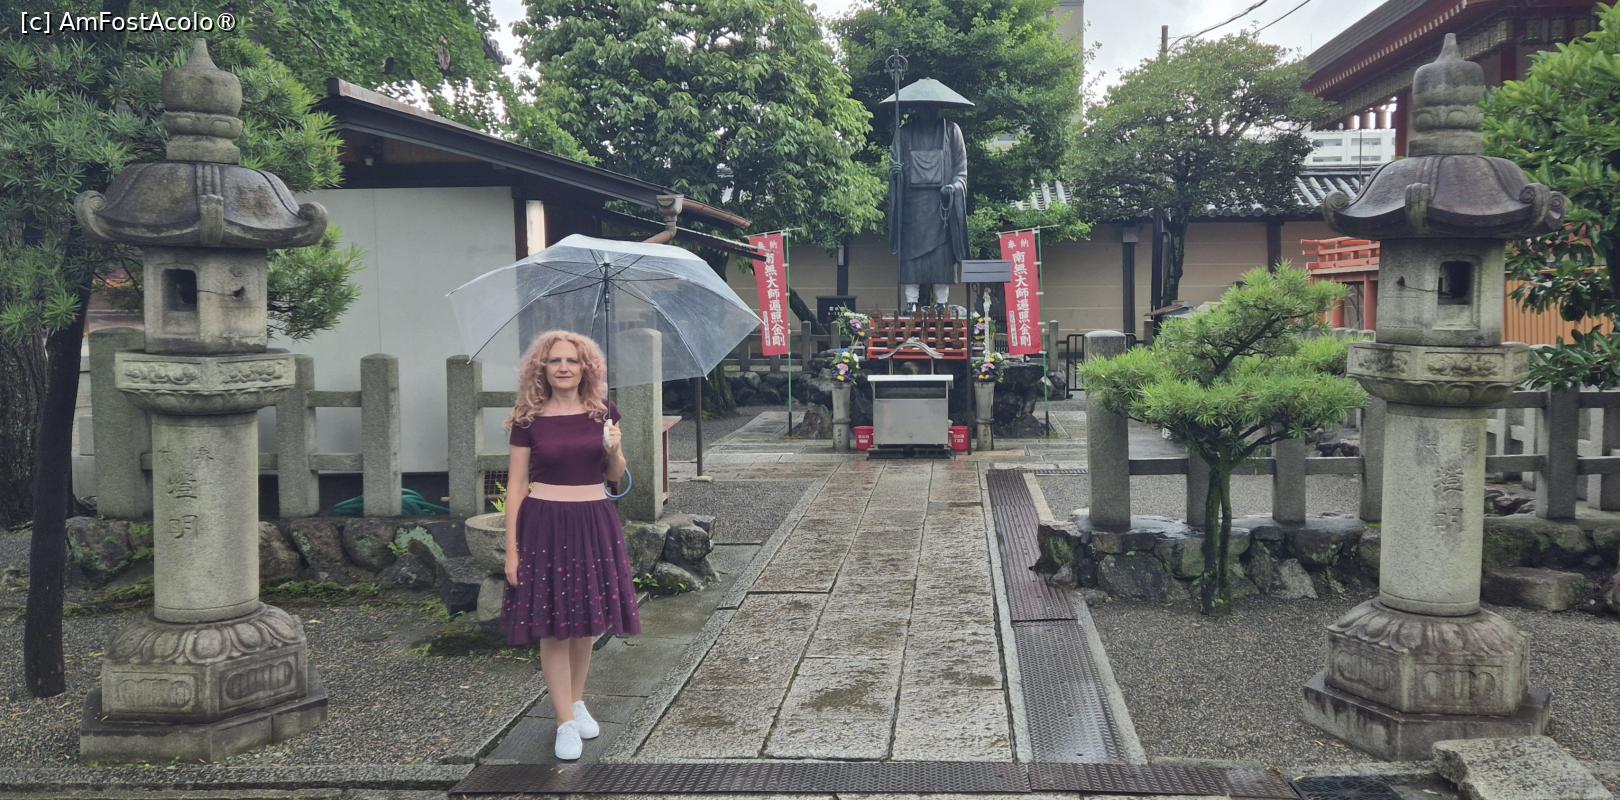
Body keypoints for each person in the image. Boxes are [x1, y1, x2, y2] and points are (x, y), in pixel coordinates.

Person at [500, 330, 641, 761]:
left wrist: (614, 449)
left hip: (594, 521)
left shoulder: (604, 413)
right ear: (541, 367)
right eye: (555, 360)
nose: (564, 367)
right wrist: (512, 549)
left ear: (586, 368)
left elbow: (615, 475)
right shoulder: (528, 418)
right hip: (545, 525)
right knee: (553, 624)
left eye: (572, 361)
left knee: (586, 622)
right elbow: (517, 485)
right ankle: (563, 720)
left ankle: (577, 701)